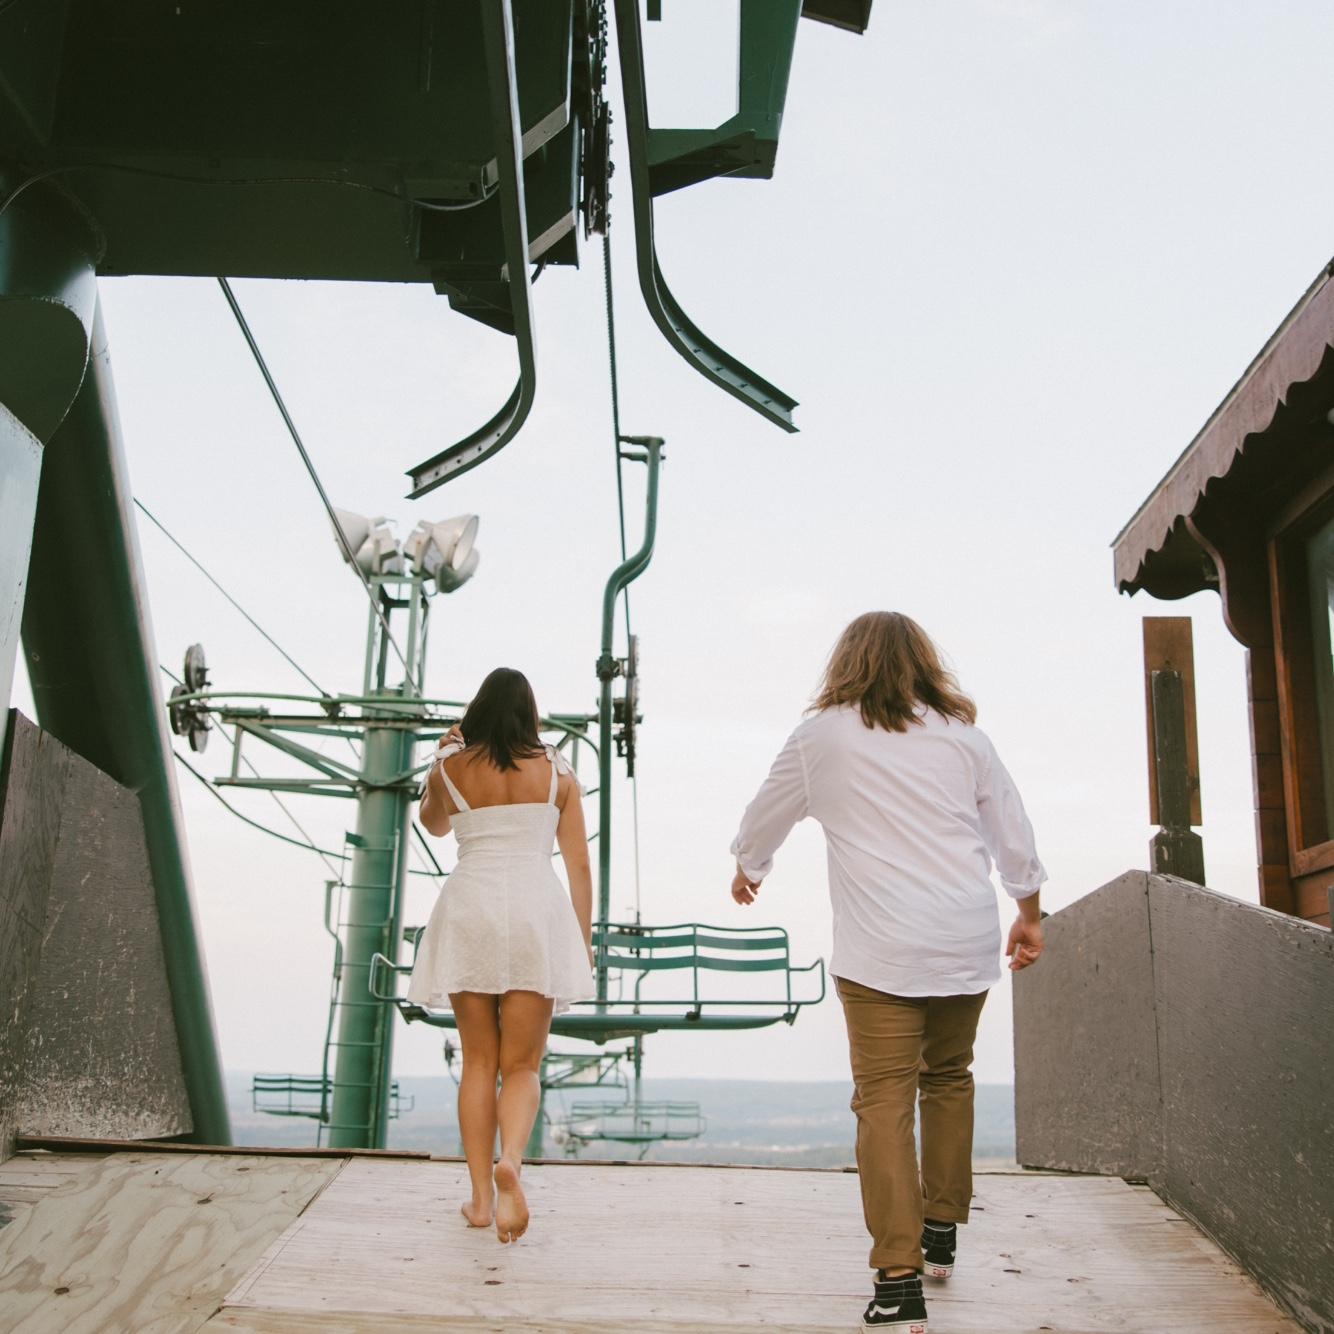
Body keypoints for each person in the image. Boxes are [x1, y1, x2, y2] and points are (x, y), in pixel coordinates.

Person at [729, 611, 1046, 1333]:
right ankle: (940, 1227)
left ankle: (899, 1282)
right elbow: (1013, 834)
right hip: (962, 939)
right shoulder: (965, 739)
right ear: (924, 663)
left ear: (847, 663)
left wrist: (750, 866)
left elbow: (766, 814)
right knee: (949, 1077)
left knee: (883, 1100)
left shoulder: (821, 737)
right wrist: (1029, 913)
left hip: (880, 948)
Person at [411, 667, 594, 1243]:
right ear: (530, 715)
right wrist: (582, 941)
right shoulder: (558, 773)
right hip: (535, 911)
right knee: (522, 1065)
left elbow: (432, 825)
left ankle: (480, 1201)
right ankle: (510, 1159)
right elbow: (579, 865)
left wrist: (440, 758)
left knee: (478, 1061)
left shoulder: (451, 768)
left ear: (478, 712)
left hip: (472, 906)